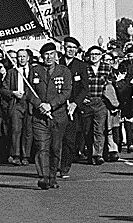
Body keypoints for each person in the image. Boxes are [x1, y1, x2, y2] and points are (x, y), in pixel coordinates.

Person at [26, 42, 72, 190]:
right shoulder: (35, 70)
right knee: (41, 147)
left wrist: (51, 105)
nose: (49, 57)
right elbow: (29, 91)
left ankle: (52, 176)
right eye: (46, 55)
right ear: (42, 56)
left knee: (55, 147)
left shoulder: (64, 71)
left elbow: (66, 92)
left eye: (52, 54)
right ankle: (43, 177)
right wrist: (40, 104)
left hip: (58, 116)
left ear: (57, 56)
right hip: (39, 116)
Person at [59, 37, 89, 176]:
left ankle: (65, 166)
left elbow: (84, 88)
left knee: (69, 140)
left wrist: (75, 103)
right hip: (57, 106)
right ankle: (55, 164)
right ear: (63, 48)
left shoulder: (81, 66)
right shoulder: (57, 63)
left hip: (73, 108)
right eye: (68, 47)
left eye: (73, 47)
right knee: (56, 138)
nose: (70, 50)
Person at [82, 45, 116, 165]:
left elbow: (112, 85)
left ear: (101, 56)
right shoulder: (84, 68)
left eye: (97, 54)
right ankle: (89, 153)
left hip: (101, 102)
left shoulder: (107, 68)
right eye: (92, 54)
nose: (94, 57)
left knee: (99, 130)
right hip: (87, 102)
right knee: (87, 130)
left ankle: (98, 155)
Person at [1, 49, 34, 166]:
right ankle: (16, 155)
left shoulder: (34, 71)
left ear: (28, 58)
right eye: (19, 57)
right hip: (17, 104)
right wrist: (13, 93)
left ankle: (26, 156)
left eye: (24, 56)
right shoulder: (12, 72)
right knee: (16, 130)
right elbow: (3, 89)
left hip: (29, 104)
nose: (22, 59)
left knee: (28, 131)